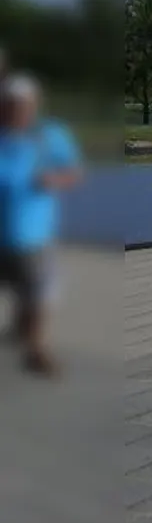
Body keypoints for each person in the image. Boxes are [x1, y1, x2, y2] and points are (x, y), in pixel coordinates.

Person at [0, 76, 82, 375]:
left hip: (32, 235)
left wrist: (53, 179)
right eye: (10, 106)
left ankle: (34, 349)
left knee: (35, 294)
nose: (15, 111)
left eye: (22, 106)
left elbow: (72, 172)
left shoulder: (49, 135)